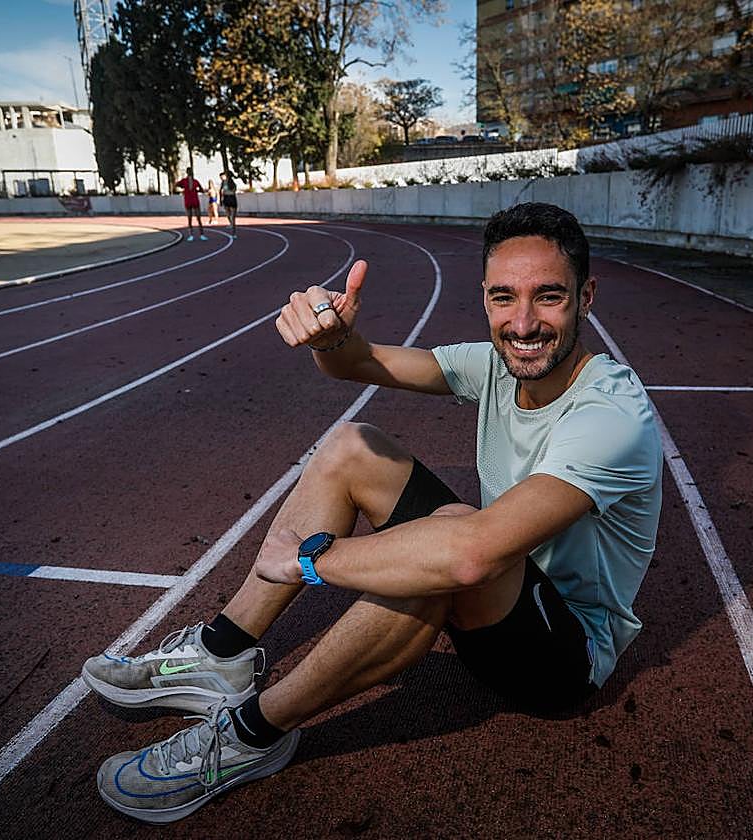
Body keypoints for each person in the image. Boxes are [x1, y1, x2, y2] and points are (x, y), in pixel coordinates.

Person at [82, 202, 663, 824]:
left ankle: (250, 736)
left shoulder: (612, 416)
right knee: (352, 445)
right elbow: (358, 365)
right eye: (503, 298)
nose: (523, 322)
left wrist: (312, 559)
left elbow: (473, 554)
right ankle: (222, 655)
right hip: (497, 594)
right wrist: (333, 339)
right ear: (485, 298)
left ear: (586, 296)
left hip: (559, 657)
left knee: (442, 549)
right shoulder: (495, 364)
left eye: (548, 297)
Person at [175, 167, 206, 242]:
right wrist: (182, 187)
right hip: (189, 201)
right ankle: (192, 235)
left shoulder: (195, 181)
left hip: (194, 200)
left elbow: (201, 189)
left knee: (198, 218)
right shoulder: (185, 181)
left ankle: (200, 234)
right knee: (190, 218)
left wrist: (197, 190)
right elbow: (177, 184)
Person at [219, 170, 238, 237]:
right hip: (232, 198)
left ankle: (231, 224)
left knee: (228, 214)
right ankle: (234, 232)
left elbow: (221, 191)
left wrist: (221, 200)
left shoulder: (224, 182)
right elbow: (234, 190)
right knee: (233, 217)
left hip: (227, 198)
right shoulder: (233, 183)